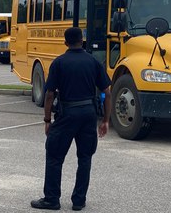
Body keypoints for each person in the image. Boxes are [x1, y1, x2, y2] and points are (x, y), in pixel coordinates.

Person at [31, 27, 111, 211]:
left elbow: (50, 94)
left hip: (67, 114)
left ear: (65, 42)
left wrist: (47, 121)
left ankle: (52, 199)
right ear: (82, 41)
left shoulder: (59, 63)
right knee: (85, 157)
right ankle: (79, 200)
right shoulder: (93, 61)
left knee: (54, 155)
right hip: (88, 114)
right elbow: (107, 91)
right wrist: (105, 120)